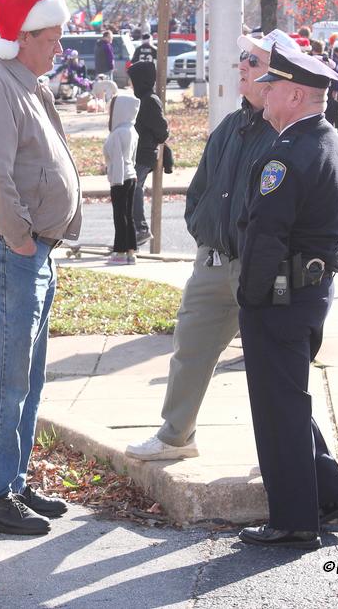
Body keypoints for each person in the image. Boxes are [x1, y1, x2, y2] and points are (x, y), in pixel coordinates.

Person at [125, 30, 298, 461]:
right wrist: (203, 231)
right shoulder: (231, 125)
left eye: (252, 62)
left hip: (261, 270)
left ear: (279, 77)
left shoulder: (290, 134)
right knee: (190, 348)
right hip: (212, 264)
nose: (242, 65)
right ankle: (176, 437)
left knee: (274, 366)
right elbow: (200, 188)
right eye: (242, 57)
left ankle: (286, 455)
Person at [236, 44, 338, 549]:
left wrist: (249, 298)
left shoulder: (286, 155)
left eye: (271, 88)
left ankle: (293, 520)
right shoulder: (331, 142)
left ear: (294, 95)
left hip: (279, 297)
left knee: (276, 409)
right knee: (289, 398)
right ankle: (329, 493)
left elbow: (266, 236)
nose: (263, 95)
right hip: (310, 292)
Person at [0, 0, 81, 536]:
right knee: (2, 378)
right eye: (52, 39)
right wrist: (18, 239)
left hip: (33, 251)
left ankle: (11, 480)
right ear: (23, 37)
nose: (59, 48)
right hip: (14, 252)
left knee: (26, 378)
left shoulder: (22, 79)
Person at [127, 60, 169, 246]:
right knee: (132, 188)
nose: (130, 84)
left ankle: (141, 228)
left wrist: (158, 139)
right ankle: (136, 228)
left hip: (145, 153)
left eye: (132, 80)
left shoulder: (150, 101)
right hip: (138, 151)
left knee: (134, 188)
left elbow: (161, 129)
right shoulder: (143, 100)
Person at [104, 94, 140, 265]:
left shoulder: (118, 133)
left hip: (120, 178)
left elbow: (117, 159)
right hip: (131, 175)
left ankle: (119, 251)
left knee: (119, 216)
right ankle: (131, 251)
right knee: (129, 215)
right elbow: (132, 158)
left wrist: (115, 180)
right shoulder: (132, 130)